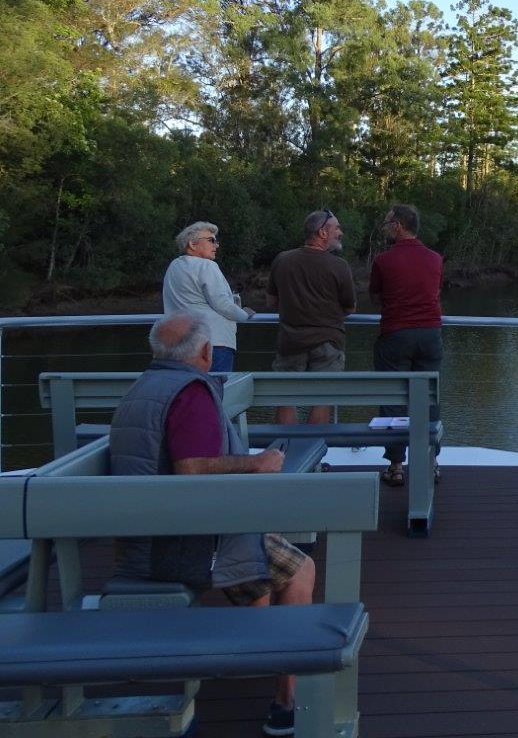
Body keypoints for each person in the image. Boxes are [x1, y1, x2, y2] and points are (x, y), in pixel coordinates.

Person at [109, 313, 315, 737]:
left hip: (142, 537)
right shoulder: (191, 391)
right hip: (183, 545)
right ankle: (286, 703)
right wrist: (257, 463)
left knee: (261, 558)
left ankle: (262, 653)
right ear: (205, 352)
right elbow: (192, 468)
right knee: (298, 568)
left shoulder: (141, 388)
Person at [369, 203, 443, 486]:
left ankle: (396, 466)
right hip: (430, 335)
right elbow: (433, 292)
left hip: (396, 335)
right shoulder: (435, 258)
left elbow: (376, 296)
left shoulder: (384, 261)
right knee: (430, 398)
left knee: (393, 400)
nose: (386, 228)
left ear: (398, 226)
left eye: (388, 223)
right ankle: (431, 462)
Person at [266, 210, 356, 424]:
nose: (340, 232)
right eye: (337, 228)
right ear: (323, 232)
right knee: (322, 400)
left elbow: (271, 302)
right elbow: (350, 308)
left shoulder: (283, 259)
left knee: (286, 399)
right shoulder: (339, 266)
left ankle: (285, 454)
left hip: (290, 341)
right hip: (328, 343)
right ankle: (313, 454)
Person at [162, 221, 256, 372]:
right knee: (216, 389)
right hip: (213, 343)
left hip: (182, 343)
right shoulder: (206, 265)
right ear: (193, 244)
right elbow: (222, 304)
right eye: (211, 240)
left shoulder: (174, 266)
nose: (216, 245)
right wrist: (244, 315)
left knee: (190, 389)